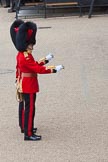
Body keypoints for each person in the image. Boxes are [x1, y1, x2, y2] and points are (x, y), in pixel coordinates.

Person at [10, 20, 64, 141]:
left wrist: (46, 59)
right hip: (29, 85)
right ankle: (28, 133)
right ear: (26, 43)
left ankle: (25, 127)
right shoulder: (25, 57)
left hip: (24, 82)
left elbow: (34, 64)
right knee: (30, 109)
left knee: (25, 106)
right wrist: (54, 69)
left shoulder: (23, 54)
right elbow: (38, 69)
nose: (32, 45)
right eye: (30, 43)